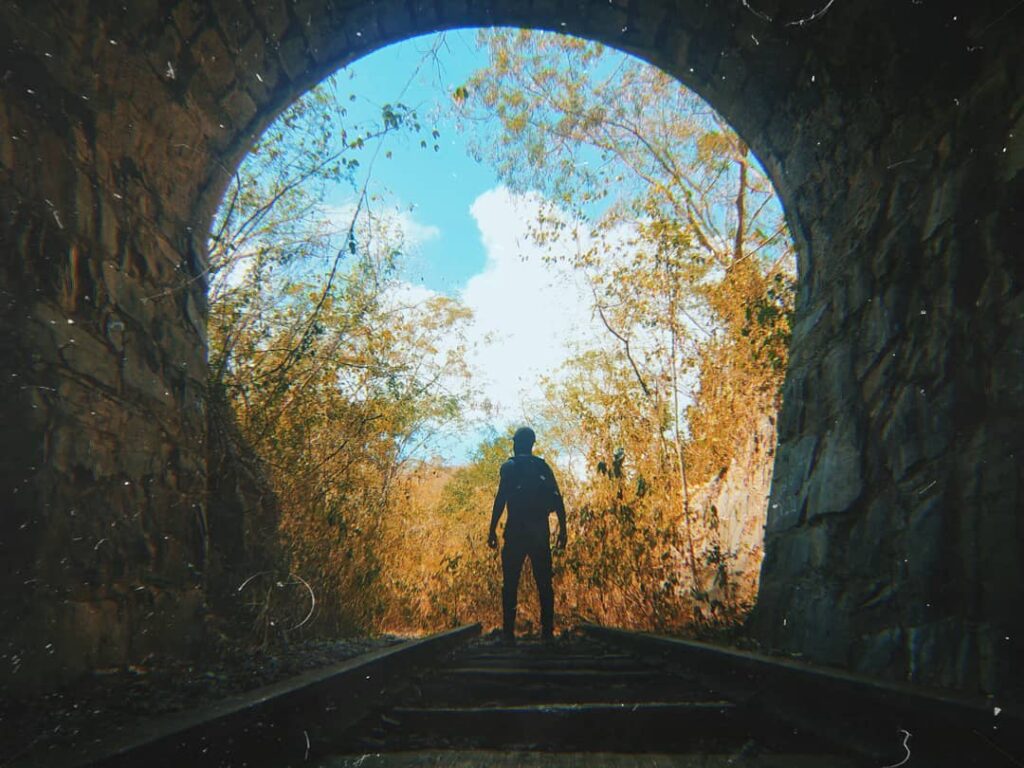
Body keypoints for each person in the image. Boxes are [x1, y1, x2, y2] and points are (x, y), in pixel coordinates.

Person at [487, 426, 567, 642]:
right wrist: (563, 531)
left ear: (515, 443)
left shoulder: (509, 467)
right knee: (544, 583)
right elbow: (557, 498)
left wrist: (492, 529)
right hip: (540, 533)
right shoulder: (542, 466)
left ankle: (508, 634)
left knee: (510, 583)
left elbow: (500, 499)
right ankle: (547, 633)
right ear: (532, 444)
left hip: (515, 533)